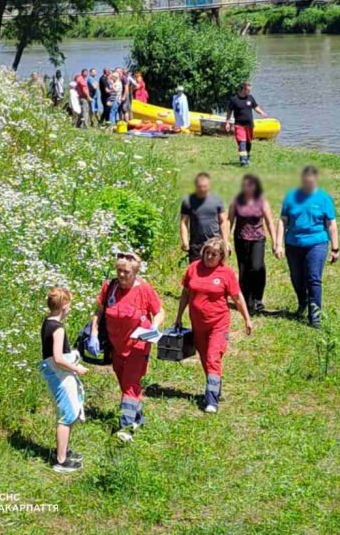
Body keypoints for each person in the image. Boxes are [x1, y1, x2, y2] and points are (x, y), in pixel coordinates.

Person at [90, 252, 165, 441]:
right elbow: (99, 312)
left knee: (130, 385)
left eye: (127, 272)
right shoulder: (109, 287)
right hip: (117, 345)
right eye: (119, 271)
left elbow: (159, 312)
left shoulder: (144, 289)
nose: (122, 275)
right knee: (125, 384)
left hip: (138, 345)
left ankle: (125, 428)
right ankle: (138, 418)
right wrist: (93, 334)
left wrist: (154, 328)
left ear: (135, 272)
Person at [175, 238, 252, 413]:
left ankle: (211, 401)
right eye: (207, 252)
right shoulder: (193, 268)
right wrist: (179, 316)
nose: (209, 257)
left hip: (219, 323)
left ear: (221, 256)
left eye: (214, 254)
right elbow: (185, 293)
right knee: (205, 359)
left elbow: (238, 298)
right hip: (198, 323)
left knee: (212, 357)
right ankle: (215, 384)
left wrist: (247, 318)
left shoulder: (226, 273)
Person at [275, 165, 339, 329]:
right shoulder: (291, 196)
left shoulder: (324, 198)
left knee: (313, 279)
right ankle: (303, 302)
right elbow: (283, 220)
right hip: (293, 243)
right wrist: (278, 243)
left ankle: (315, 316)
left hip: (317, 243)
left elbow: (331, 224)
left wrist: (335, 248)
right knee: (297, 277)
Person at [39, 287, 87, 473]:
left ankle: (64, 450)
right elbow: (58, 358)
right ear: (64, 306)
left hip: (55, 372)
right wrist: (77, 369)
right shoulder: (58, 329)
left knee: (71, 411)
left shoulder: (47, 323)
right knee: (67, 415)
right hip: (60, 375)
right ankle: (61, 460)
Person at [228, 174, 276, 314]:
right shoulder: (237, 201)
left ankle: (258, 298)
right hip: (241, 238)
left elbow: (269, 222)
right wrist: (225, 240)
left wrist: (275, 242)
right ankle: (246, 300)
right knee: (244, 270)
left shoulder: (261, 201)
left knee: (257, 267)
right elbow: (229, 220)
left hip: (257, 239)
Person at [180, 172, 228, 263]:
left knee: (215, 271)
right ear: (196, 186)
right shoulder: (188, 201)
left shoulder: (217, 201)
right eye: (200, 186)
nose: (202, 189)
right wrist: (185, 241)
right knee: (196, 271)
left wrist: (225, 241)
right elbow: (183, 222)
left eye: (205, 186)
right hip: (196, 244)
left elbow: (223, 221)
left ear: (209, 186)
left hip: (214, 243)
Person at [225, 82, 267, 167]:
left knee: (248, 143)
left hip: (249, 125)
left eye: (250, 90)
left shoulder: (250, 98)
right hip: (239, 125)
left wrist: (262, 112)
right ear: (243, 89)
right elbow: (229, 111)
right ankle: (243, 161)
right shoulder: (234, 100)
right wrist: (227, 122)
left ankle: (246, 157)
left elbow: (255, 107)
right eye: (248, 90)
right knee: (242, 142)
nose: (249, 91)